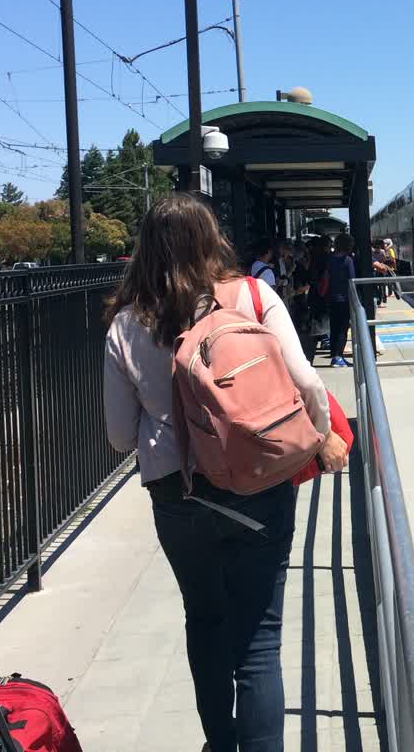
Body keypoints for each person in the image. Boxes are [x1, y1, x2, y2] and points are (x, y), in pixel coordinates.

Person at [103, 193, 349, 752]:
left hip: (176, 496)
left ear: (145, 248)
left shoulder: (126, 323)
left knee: (205, 621)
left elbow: (119, 437)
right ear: (213, 239)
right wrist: (322, 437)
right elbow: (308, 383)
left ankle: (220, 741)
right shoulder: (255, 296)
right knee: (259, 640)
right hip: (259, 481)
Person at [327, 235, 358, 368]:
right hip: (344, 298)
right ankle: (338, 357)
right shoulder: (348, 260)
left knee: (334, 328)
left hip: (331, 297)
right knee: (343, 328)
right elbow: (352, 280)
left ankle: (334, 355)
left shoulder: (329, 259)